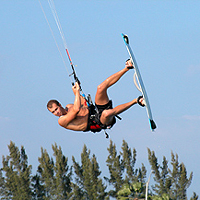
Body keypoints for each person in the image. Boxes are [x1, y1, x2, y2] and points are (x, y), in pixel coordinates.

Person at [47, 59, 144, 133]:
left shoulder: (69, 106)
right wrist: (76, 93)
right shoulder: (62, 121)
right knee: (107, 113)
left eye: (56, 109)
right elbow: (76, 110)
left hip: (95, 110)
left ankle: (127, 68)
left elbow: (82, 102)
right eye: (53, 112)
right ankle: (136, 101)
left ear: (59, 104)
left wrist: (77, 89)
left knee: (101, 87)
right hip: (98, 122)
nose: (56, 113)